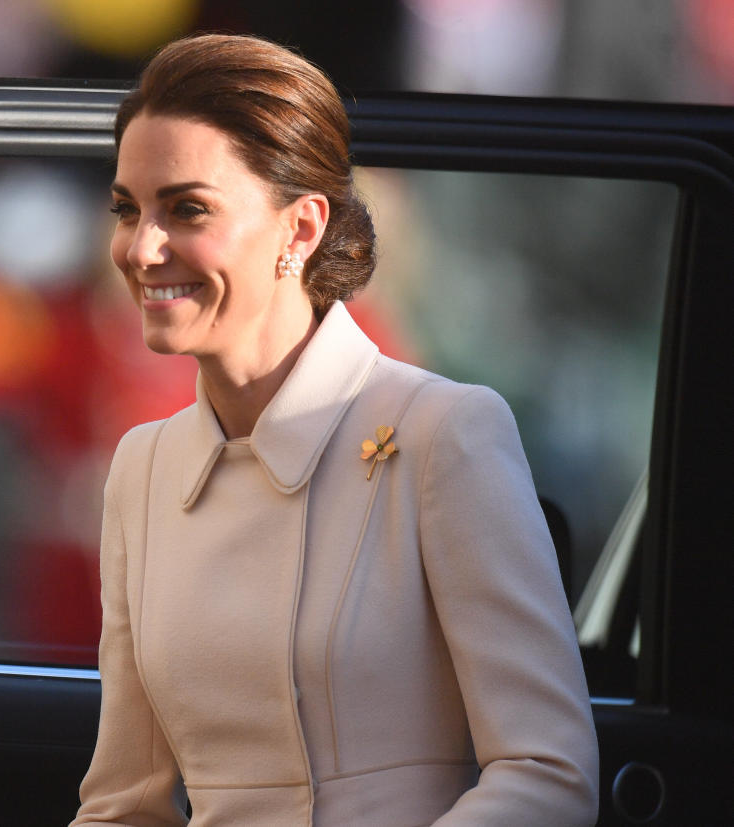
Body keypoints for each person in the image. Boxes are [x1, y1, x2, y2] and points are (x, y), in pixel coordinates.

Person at [70, 33, 599, 826]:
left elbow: (547, 771)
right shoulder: (142, 467)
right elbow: (122, 803)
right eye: (126, 209)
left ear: (301, 229)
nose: (141, 248)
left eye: (187, 209)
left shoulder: (443, 433)